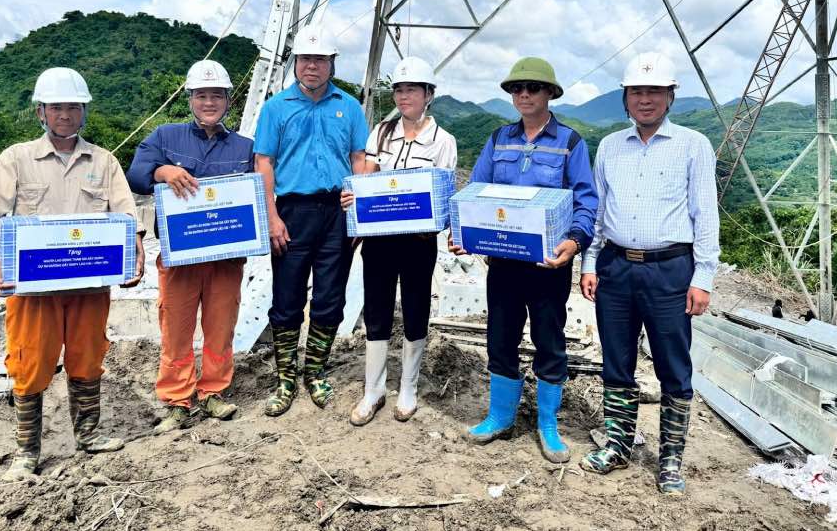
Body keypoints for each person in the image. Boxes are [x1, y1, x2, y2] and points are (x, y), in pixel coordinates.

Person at [0, 67, 144, 481]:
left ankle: (87, 435)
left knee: (88, 356)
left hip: (88, 283)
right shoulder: (15, 159)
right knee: (29, 361)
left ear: (84, 111)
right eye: (56, 107)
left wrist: (135, 249)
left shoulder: (103, 161)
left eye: (72, 107)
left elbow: (126, 214)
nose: (64, 114)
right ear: (41, 112)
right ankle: (26, 451)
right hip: (33, 288)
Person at [579, 51, 719, 495]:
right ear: (624, 98)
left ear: (670, 97)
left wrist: (703, 277)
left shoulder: (693, 145)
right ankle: (618, 443)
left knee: (673, 366)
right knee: (616, 359)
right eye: (637, 91)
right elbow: (599, 213)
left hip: (670, 269)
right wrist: (589, 262)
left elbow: (706, 215)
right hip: (616, 267)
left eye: (654, 91)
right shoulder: (609, 147)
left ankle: (670, 458)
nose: (645, 99)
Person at [450, 57, 597, 463]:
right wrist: (461, 231)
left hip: (549, 266)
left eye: (533, 87)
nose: (524, 95)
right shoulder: (499, 139)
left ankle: (548, 425)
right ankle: (500, 416)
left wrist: (574, 241)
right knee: (500, 336)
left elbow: (586, 202)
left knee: (549, 341)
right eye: (517, 88)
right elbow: (477, 191)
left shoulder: (569, 142)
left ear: (550, 92)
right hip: (503, 264)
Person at [126, 60, 254, 434]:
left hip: (226, 259)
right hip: (180, 257)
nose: (209, 102)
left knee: (220, 326)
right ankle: (178, 401)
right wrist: (162, 172)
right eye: (202, 95)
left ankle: (213, 391)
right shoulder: (166, 137)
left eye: (217, 95)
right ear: (191, 99)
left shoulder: (245, 147)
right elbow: (136, 174)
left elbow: (257, 195)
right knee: (176, 329)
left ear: (228, 100)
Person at [254, 31, 368, 416]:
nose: (312, 66)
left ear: (332, 63)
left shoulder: (349, 106)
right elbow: (264, 163)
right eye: (305, 59)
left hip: (337, 210)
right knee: (287, 297)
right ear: (295, 63)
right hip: (291, 211)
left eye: (320, 60)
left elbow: (358, 159)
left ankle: (314, 371)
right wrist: (271, 216)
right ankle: (286, 378)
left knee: (330, 297)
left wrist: (357, 216)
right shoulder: (275, 108)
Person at [340, 56, 458, 426]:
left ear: (429, 94)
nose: (404, 96)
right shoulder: (382, 132)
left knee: (415, 309)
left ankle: (408, 386)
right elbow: (368, 177)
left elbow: (442, 195)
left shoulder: (443, 141)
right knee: (376, 309)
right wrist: (354, 198)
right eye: (399, 89)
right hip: (380, 240)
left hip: (418, 241)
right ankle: (373, 389)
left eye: (412, 89)